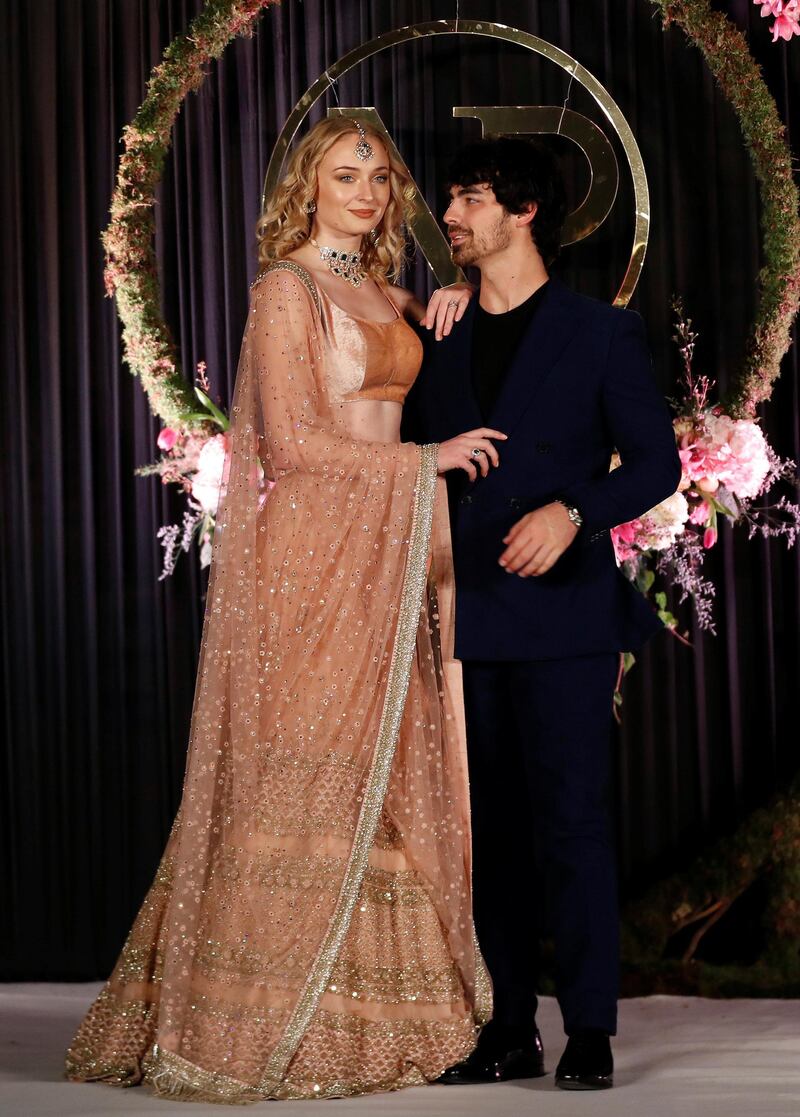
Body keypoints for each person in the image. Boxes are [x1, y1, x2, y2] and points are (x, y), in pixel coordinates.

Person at [65, 116, 500, 1103]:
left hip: (391, 549)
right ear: (307, 185)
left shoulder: (376, 288)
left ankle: (389, 1010)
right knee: (315, 762)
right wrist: (423, 461)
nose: (367, 191)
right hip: (319, 553)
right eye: (347, 173)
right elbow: (293, 447)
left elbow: (414, 343)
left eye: (380, 177)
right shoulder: (285, 291)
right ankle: (268, 1011)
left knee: (384, 763)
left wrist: (453, 294)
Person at [404, 136, 682, 1091]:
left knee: (573, 823)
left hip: (566, 618)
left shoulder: (600, 332)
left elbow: (656, 463)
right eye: (451, 194)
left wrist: (574, 513)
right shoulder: (438, 329)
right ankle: (509, 1026)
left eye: (471, 195)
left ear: (524, 212)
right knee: (495, 837)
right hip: (464, 620)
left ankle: (591, 1029)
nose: (452, 211)